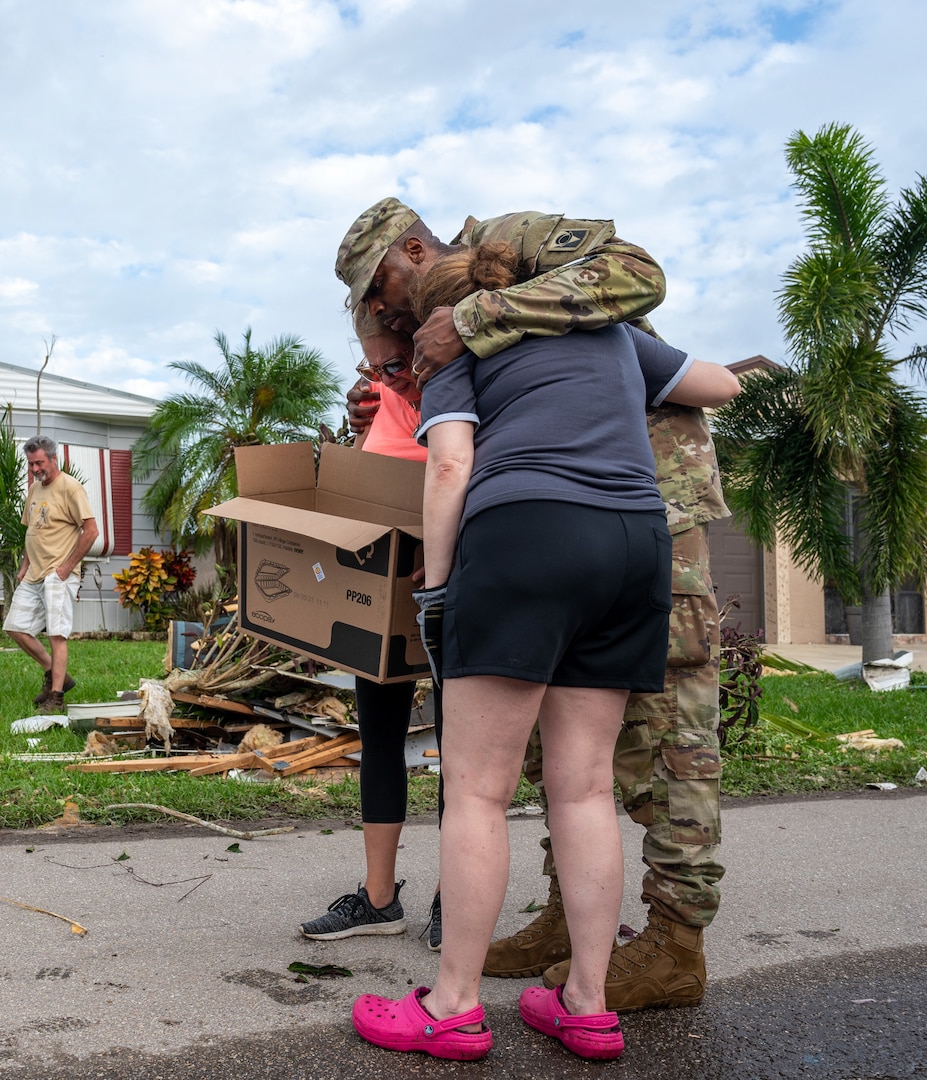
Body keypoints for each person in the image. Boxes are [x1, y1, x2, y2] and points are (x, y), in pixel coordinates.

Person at [338, 198, 731, 1013]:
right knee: (571, 772)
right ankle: (570, 939)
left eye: (385, 295)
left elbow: (639, 277)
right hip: (622, 532)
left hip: (625, 517)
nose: (392, 318)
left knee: (664, 740)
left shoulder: (507, 258)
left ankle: (670, 941)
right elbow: (710, 379)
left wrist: (438, 591)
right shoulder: (477, 332)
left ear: (415, 251)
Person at [300, 307, 443, 950]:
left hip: (445, 577)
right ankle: (380, 899)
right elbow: (366, 481)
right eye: (372, 365)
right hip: (379, 584)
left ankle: (455, 898)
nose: (384, 376)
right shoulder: (384, 397)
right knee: (378, 736)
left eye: (394, 363)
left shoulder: (462, 386)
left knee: (461, 752)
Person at [4, 435, 98, 713]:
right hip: (34, 571)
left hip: (58, 574)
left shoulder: (71, 488)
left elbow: (91, 531)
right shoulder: (35, 489)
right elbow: (32, 530)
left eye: (39, 463)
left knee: (57, 635)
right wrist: (24, 564)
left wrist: (67, 567)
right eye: (31, 464)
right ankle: (55, 673)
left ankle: (56, 696)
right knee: (14, 627)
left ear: (54, 459)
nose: (34, 469)